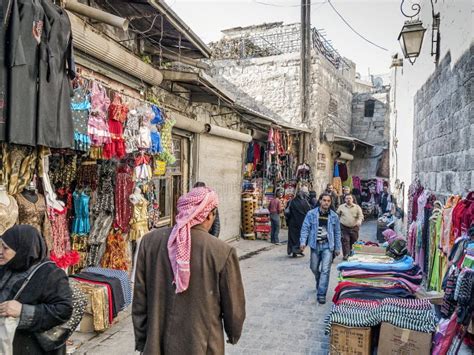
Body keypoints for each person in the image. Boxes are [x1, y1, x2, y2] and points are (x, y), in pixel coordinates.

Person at [132, 187, 246, 354]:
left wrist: (143, 341)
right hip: (203, 347)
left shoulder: (150, 242)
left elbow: (140, 302)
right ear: (208, 215)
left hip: (157, 345)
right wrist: (233, 334)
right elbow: (234, 310)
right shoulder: (222, 252)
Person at [0, 225, 73, 355]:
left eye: (5, 248)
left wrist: (23, 311)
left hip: (32, 347)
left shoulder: (51, 274)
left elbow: (63, 310)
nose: (0, 251)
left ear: (22, 249)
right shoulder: (7, 266)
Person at [300, 193, 342, 304]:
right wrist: (303, 241)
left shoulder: (334, 216)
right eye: (324, 200)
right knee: (314, 268)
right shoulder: (311, 214)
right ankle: (319, 281)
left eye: (328, 201)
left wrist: (337, 247)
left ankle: (321, 293)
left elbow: (337, 232)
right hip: (315, 245)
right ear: (320, 201)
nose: (326, 202)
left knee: (325, 270)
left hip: (328, 246)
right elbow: (305, 228)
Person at [337, 194, 364, 260]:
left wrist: (359, 221)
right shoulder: (341, 207)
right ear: (345, 199)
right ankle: (346, 255)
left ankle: (353, 254)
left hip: (354, 227)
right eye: (347, 198)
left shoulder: (357, 207)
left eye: (350, 198)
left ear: (352, 199)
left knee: (354, 241)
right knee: (345, 241)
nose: (348, 200)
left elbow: (361, 216)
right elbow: (336, 215)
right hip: (344, 227)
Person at [286, 188, 312, 257]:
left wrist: (287, 222)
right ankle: (298, 250)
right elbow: (308, 213)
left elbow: (287, 213)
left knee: (293, 238)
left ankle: (294, 251)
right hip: (301, 223)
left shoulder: (291, 202)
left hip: (292, 223)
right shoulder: (305, 203)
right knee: (300, 238)